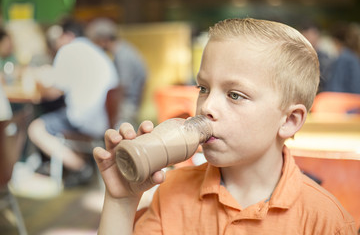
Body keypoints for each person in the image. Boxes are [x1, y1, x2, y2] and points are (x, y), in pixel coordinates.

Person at [93, 18, 356, 234]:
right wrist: (121, 201)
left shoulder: (325, 222)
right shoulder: (171, 191)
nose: (206, 106)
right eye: (203, 88)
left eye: (234, 95)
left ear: (289, 121)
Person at [28, 18, 119, 187]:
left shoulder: (68, 50)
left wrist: (40, 80)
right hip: (104, 120)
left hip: (85, 120)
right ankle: (80, 165)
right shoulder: (97, 51)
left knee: (36, 128)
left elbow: (54, 91)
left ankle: (80, 167)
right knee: (60, 115)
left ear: (67, 35)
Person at [86, 18, 147, 129]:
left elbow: (122, 87)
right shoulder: (124, 50)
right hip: (129, 105)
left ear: (103, 40)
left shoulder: (123, 56)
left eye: (95, 42)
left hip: (127, 107)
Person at [323, 22, 360, 94]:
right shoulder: (353, 57)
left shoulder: (344, 59)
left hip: (342, 102)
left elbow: (335, 88)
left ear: (335, 40)